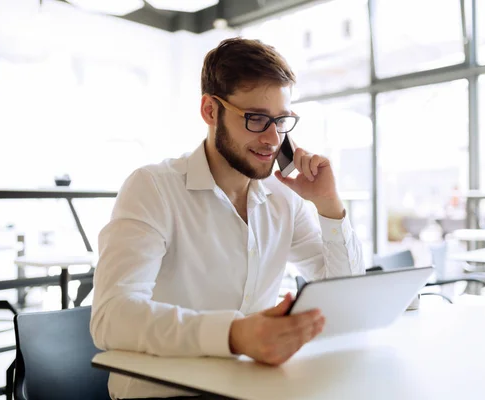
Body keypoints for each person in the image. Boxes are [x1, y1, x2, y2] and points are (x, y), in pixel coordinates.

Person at [90, 37, 365, 400]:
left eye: (282, 121)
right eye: (256, 119)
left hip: (252, 389)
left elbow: (345, 296)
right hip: (163, 393)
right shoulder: (153, 188)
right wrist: (234, 334)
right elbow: (112, 316)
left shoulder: (285, 197)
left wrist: (329, 206)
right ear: (210, 111)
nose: (272, 138)